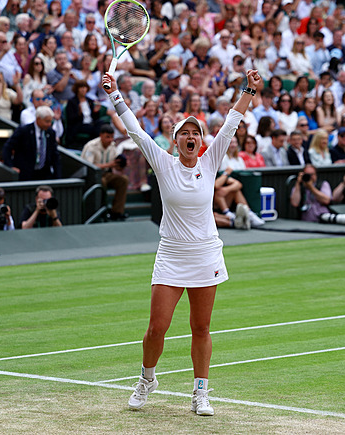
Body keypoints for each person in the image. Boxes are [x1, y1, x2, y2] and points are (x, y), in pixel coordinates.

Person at [101, 68, 262, 415]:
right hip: (171, 255)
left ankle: (200, 392)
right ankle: (147, 379)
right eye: (184, 133)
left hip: (205, 254)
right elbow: (135, 130)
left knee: (201, 327)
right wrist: (115, 94)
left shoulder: (211, 159)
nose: (191, 136)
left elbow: (232, 122)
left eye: (195, 133)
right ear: (175, 141)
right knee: (156, 328)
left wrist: (249, 89)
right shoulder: (163, 162)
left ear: (201, 141)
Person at [80, 124, 129, 221]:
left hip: (106, 174)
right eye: (107, 137)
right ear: (101, 135)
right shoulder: (91, 146)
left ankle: (117, 212)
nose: (110, 140)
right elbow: (89, 166)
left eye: (112, 137)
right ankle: (101, 210)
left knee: (123, 180)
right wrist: (109, 165)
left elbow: (115, 162)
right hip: (92, 175)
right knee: (102, 182)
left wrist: (121, 164)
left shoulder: (112, 146)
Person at [2, 105, 62, 181]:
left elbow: (54, 155)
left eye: (51, 121)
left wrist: (58, 176)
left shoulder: (51, 133)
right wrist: (10, 166)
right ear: (38, 119)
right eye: (47, 121)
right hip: (25, 173)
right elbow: (7, 147)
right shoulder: (24, 130)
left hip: (44, 174)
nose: (49, 124)